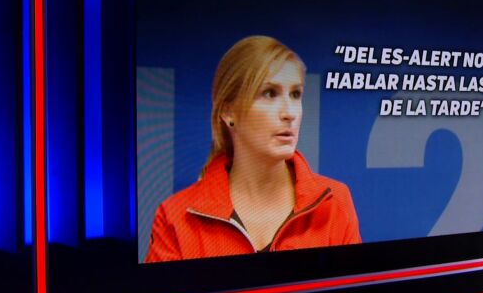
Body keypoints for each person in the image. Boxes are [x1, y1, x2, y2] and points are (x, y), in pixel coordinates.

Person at [145, 35, 361, 262]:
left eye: (295, 94)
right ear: (228, 111)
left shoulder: (335, 202)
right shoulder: (175, 217)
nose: (290, 113)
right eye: (270, 93)